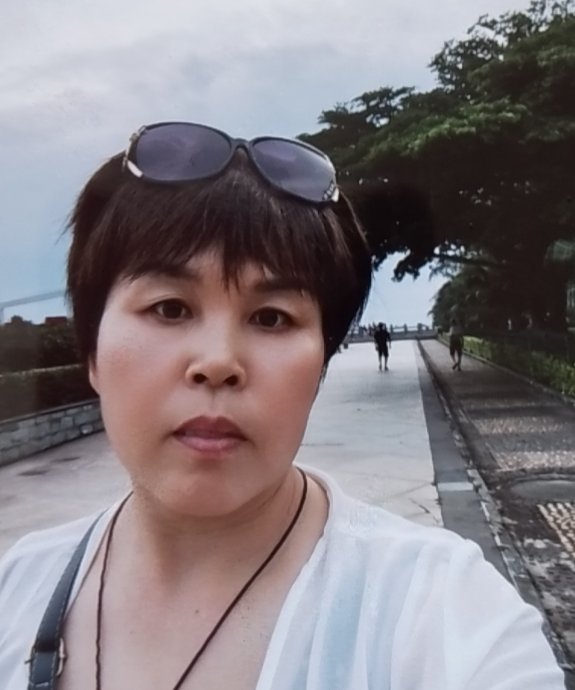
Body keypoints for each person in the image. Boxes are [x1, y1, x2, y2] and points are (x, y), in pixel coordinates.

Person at [0, 121, 564, 690]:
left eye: (271, 318)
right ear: (92, 352)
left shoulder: (443, 614)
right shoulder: (17, 588)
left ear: (321, 363)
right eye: (170, 308)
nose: (218, 362)